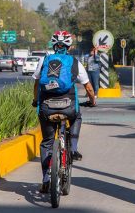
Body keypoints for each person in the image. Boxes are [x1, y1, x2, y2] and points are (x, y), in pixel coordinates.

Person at [32, 30, 96, 193]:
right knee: (77, 117)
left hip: (46, 107)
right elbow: (88, 87)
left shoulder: (44, 60)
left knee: (47, 141)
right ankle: (73, 148)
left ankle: (46, 179)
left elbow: (36, 85)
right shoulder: (75, 62)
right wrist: (92, 101)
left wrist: (35, 100)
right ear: (69, 46)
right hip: (68, 107)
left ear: (54, 45)